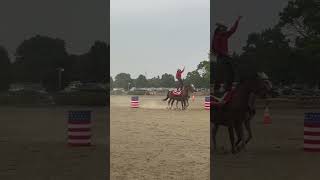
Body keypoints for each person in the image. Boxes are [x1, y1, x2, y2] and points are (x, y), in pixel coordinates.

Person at [210, 16, 242, 97]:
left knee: (232, 70)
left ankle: (229, 87)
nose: (225, 29)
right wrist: (225, 53)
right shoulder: (217, 37)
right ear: (220, 29)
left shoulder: (225, 35)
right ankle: (216, 90)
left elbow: (232, 30)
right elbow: (217, 49)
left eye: (224, 28)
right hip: (221, 57)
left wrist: (237, 21)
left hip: (226, 57)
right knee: (221, 73)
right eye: (223, 28)